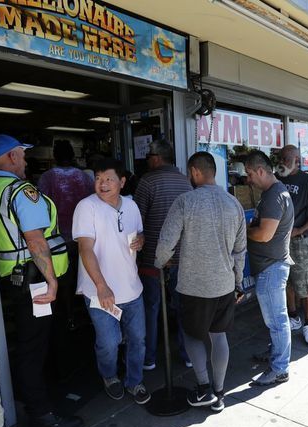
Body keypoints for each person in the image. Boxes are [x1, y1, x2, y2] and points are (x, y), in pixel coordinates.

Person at [0, 134, 82, 427]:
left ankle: (41, 400)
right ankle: (41, 415)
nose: (26, 161)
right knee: (33, 346)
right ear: (12, 157)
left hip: (17, 278)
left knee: (32, 343)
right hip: (36, 282)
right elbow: (36, 240)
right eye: (22, 155)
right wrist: (52, 282)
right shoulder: (21, 191)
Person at [155, 151, 247, 412]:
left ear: (195, 172)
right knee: (219, 337)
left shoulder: (185, 202)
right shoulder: (234, 204)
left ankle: (204, 389)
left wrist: (158, 263)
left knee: (192, 335)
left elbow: (165, 243)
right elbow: (240, 250)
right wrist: (238, 281)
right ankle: (219, 394)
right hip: (225, 284)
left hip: (195, 285)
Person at [72, 159, 151, 404]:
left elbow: (139, 234)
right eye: (98, 178)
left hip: (131, 287)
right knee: (109, 343)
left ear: (122, 181)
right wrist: (101, 285)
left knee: (138, 339)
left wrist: (141, 240)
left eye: (108, 178)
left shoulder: (132, 206)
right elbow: (85, 248)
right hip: (99, 292)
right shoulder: (87, 207)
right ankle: (110, 377)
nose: (102, 184)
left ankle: (134, 381)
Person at [37, 140, 94, 378]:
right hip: (84, 235)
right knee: (86, 275)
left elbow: (39, 204)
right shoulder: (84, 177)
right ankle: (83, 315)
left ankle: (64, 315)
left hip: (57, 238)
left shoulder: (47, 178)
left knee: (63, 278)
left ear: (54, 156)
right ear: (73, 155)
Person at [134, 140, 193, 370]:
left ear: (157, 158)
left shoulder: (147, 181)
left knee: (151, 308)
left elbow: (135, 220)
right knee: (182, 307)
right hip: (181, 258)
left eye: (149, 156)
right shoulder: (186, 183)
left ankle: (149, 358)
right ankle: (187, 355)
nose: (147, 160)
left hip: (152, 258)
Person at [245, 150, 295, 386]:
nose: (247, 179)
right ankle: (277, 355)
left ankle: (280, 368)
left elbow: (265, 235)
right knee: (275, 320)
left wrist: (243, 231)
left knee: (277, 321)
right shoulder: (273, 193)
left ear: (261, 171)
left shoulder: (275, 195)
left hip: (271, 267)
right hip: (270, 266)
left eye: (249, 173)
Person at [275, 145, 308, 346]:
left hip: (301, 240)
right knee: (287, 282)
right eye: (281, 158)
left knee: (305, 282)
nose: (282, 162)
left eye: (286, 158)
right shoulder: (277, 180)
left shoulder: (306, 181)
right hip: (280, 241)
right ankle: (293, 317)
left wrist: (300, 229)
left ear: (296, 159)